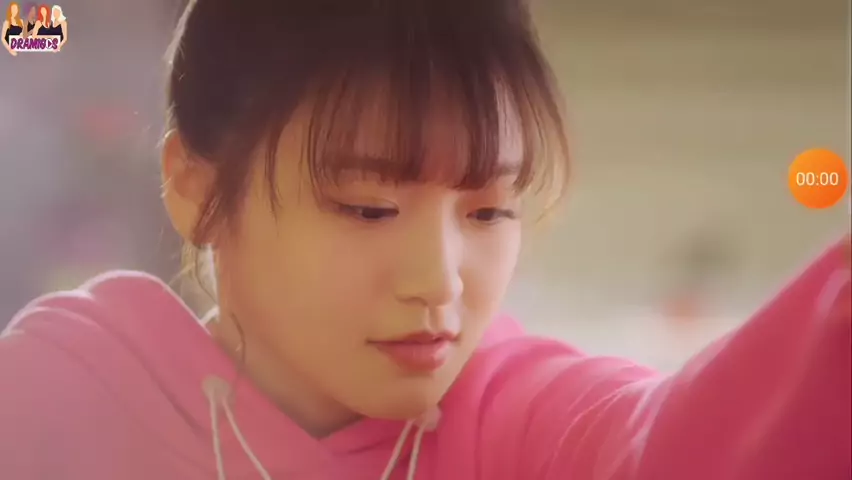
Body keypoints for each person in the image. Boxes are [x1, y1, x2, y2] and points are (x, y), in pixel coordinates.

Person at [0, 0, 849, 479]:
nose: (439, 283)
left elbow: (683, 444)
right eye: (369, 208)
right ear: (195, 187)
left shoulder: (515, 420)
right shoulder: (64, 393)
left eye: (489, 212)